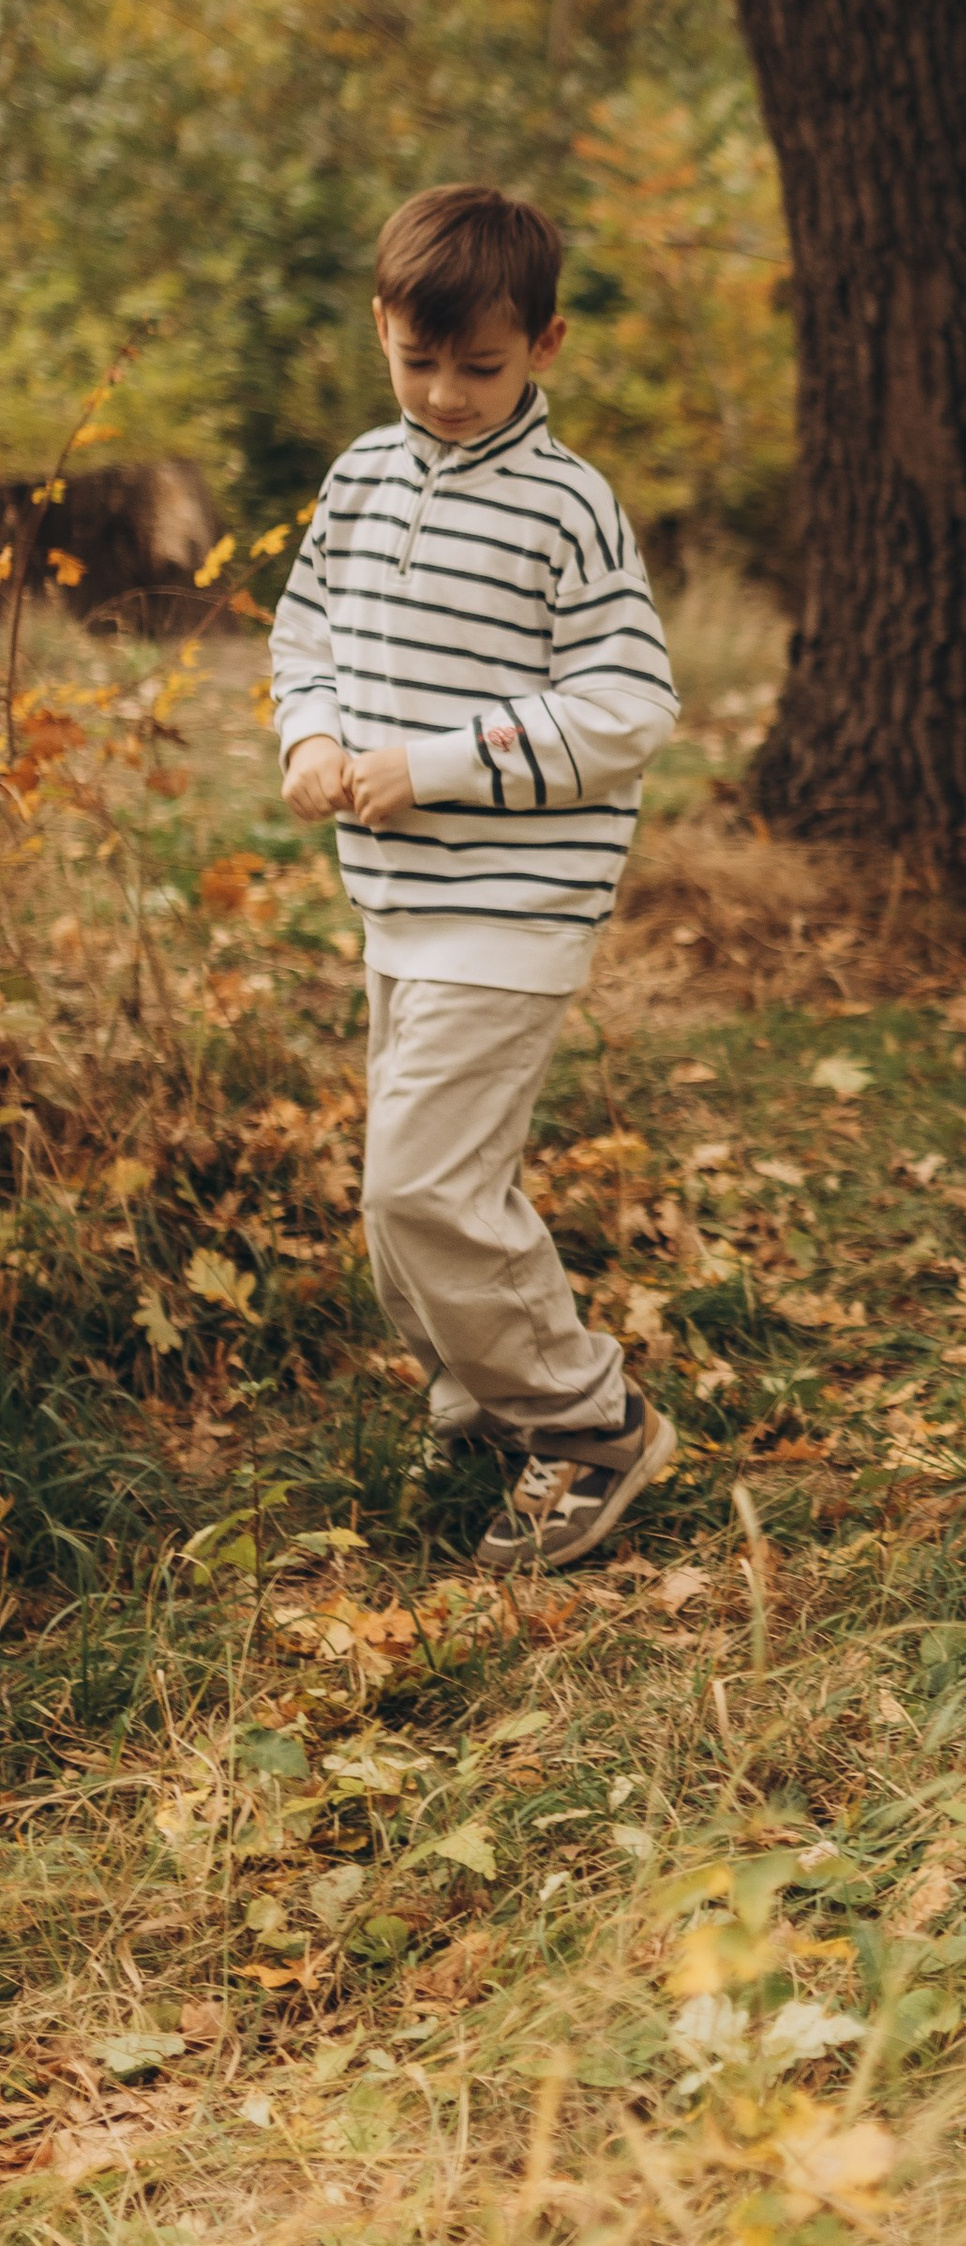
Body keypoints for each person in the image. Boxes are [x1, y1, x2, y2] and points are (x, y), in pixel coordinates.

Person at [271, 184, 683, 1571]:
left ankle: (590, 1423)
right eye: (418, 361)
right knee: (414, 1202)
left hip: (511, 909)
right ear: (382, 331)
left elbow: (629, 710)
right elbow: (305, 632)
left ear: (545, 344)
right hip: (398, 901)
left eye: (482, 366)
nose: (447, 393)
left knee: (421, 1191)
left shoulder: (567, 508)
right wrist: (314, 730)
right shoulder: (359, 478)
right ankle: (485, 1406)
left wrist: (430, 764)